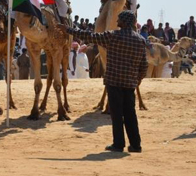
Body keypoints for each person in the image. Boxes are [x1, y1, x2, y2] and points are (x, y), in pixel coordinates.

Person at [58, 10, 147, 153]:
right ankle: (136, 145)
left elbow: (89, 36)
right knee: (130, 114)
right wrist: (137, 80)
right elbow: (144, 65)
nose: (117, 21)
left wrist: (68, 29)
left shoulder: (113, 36)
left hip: (114, 82)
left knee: (117, 114)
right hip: (130, 84)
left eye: (119, 20)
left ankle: (118, 144)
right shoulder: (140, 40)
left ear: (124, 22)